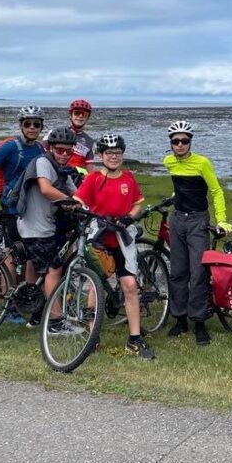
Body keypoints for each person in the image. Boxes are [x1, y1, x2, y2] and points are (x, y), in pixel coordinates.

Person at [74, 133, 153, 359]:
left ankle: (134, 339)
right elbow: (79, 201)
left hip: (121, 238)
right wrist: (77, 210)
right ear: (101, 155)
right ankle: (92, 336)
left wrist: (129, 217)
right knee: (95, 284)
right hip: (100, 238)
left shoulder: (128, 178)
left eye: (117, 152)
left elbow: (137, 204)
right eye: (109, 153)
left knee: (129, 285)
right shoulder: (93, 178)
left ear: (122, 155)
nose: (113, 156)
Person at [162, 120, 232, 346]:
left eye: (184, 141)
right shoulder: (168, 162)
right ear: (171, 143)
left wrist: (221, 220)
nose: (180, 145)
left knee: (198, 273)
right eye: (176, 141)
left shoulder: (202, 163)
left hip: (197, 221)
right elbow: (180, 187)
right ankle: (180, 319)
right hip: (177, 220)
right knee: (178, 272)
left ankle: (199, 322)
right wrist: (174, 197)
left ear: (190, 142)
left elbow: (216, 191)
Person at [0, 106, 48, 321]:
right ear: (20, 125)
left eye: (36, 124)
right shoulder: (10, 147)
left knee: (29, 256)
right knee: (10, 256)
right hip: (11, 209)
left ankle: (28, 300)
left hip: (32, 211)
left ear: (41, 127)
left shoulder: (41, 149)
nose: (32, 127)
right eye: (27, 123)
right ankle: (9, 306)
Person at [15, 127, 80, 327]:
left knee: (35, 265)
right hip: (36, 228)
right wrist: (70, 201)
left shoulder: (62, 170)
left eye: (69, 151)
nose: (64, 154)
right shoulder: (43, 162)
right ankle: (55, 322)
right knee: (54, 269)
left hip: (40, 226)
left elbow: (79, 195)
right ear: (50, 148)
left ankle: (36, 313)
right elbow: (45, 189)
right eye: (60, 150)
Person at [46, 99, 95, 172]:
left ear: (87, 118)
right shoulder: (54, 133)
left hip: (76, 176)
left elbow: (90, 170)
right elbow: (41, 155)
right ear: (71, 115)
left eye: (84, 114)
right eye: (77, 113)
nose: (80, 116)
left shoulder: (90, 142)